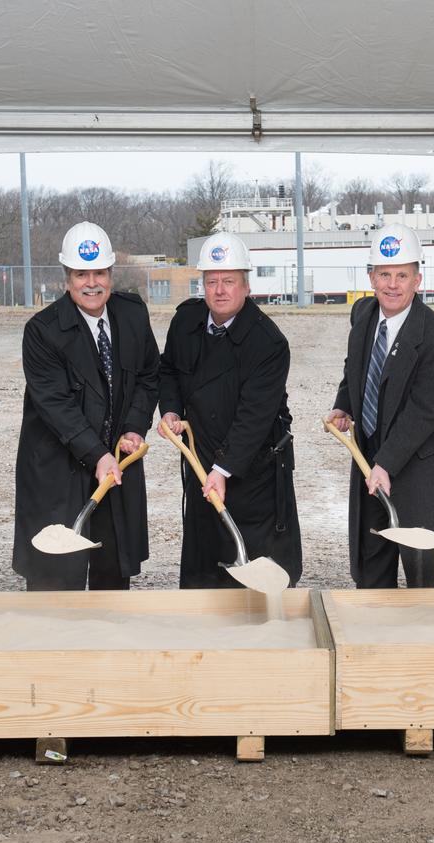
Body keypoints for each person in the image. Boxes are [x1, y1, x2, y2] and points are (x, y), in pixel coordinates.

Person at [13, 222, 159, 591]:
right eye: (81, 274)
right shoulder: (43, 331)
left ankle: (110, 648)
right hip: (59, 472)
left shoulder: (132, 314)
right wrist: (97, 454)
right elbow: (56, 405)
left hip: (114, 467)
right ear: (67, 279)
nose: (91, 283)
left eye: (99, 273)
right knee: (56, 579)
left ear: (111, 275)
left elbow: (148, 375)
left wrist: (133, 428)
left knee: (112, 571)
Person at [326, 224, 434, 588]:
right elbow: (355, 366)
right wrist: (345, 405)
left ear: (417, 279)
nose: (392, 284)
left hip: (420, 468)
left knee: (429, 572)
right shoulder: (363, 315)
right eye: (384, 274)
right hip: (371, 458)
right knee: (371, 563)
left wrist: (386, 463)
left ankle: (432, 640)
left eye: (401, 275)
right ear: (371, 277)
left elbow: (423, 412)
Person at [158, 233, 301, 588]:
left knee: (251, 580)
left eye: (229, 281)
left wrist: (223, 469)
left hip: (252, 472)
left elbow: (254, 417)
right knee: (203, 566)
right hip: (201, 461)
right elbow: (169, 370)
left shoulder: (268, 343)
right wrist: (171, 411)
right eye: (212, 281)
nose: (220, 290)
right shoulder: (186, 323)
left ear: (246, 286)